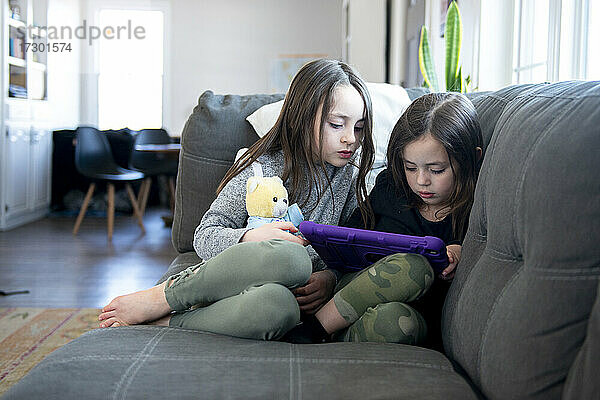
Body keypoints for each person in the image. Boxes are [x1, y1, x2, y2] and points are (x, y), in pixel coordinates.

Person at [98, 58, 376, 340]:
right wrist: (250, 238)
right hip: (239, 283)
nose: (350, 139)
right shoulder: (258, 167)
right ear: (302, 118)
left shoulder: (353, 180)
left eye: (359, 128)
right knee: (292, 259)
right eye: (337, 125)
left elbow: (354, 253)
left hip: (282, 302)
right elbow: (204, 236)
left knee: (279, 310)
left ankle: (166, 322)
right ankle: (164, 297)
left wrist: (331, 279)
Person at [286, 92, 483, 351]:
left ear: (472, 158)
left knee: (398, 321)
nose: (421, 180)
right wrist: (330, 277)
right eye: (410, 167)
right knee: (412, 265)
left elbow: (475, 250)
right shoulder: (392, 187)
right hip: (351, 289)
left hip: (411, 314)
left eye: (436, 170)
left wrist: (461, 252)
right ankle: (316, 328)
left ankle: (326, 333)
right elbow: (350, 238)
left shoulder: (476, 209)